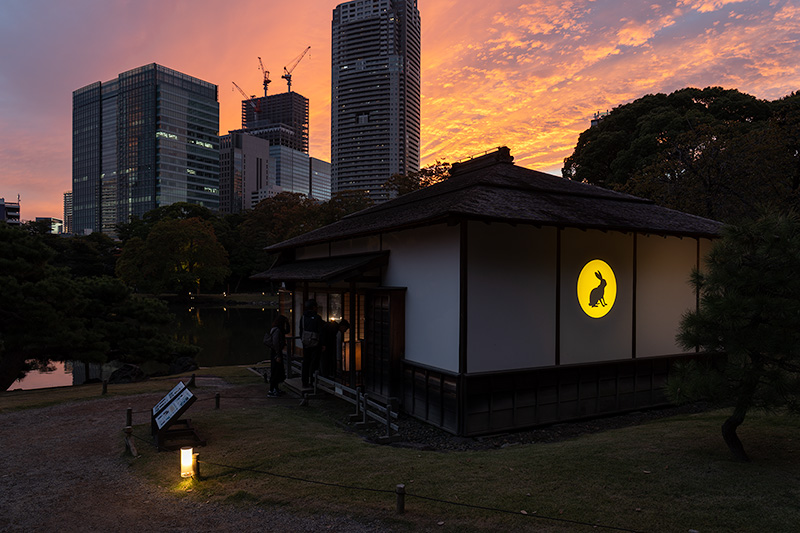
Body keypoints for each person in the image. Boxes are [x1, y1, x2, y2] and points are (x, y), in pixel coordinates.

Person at [299, 299, 323, 388]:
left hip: (305, 342)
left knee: (306, 362)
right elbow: (321, 332)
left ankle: (304, 382)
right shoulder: (317, 318)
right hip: (315, 342)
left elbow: (301, 330)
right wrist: (322, 344)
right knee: (314, 362)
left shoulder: (303, 317)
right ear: (314, 307)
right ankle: (313, 381)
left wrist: (302, 339)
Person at [265, 314, 290, 397]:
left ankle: (276, 388)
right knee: (275, 371)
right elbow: (275, 343)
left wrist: (288, 323)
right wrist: (278, 355)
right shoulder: (277, 330)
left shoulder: (279, 329)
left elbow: (287, 331)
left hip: (276, 352)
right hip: (276, 353)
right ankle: (271, 390)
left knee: (278, 371)